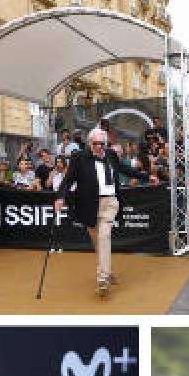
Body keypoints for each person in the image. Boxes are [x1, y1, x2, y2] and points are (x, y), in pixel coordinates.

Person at [55, 127, 124, 297]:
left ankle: (103, 279)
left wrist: (147, 177)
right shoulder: (79, 157)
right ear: (89, 143)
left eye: (102, 143)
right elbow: (68, 179)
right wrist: (60, 197)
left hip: (109, 202)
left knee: (104, 236)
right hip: (89, 205)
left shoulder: (111, 155)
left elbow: (124, 170)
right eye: (96, 144)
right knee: (98, 242)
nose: (99, 147)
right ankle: (108, 270)